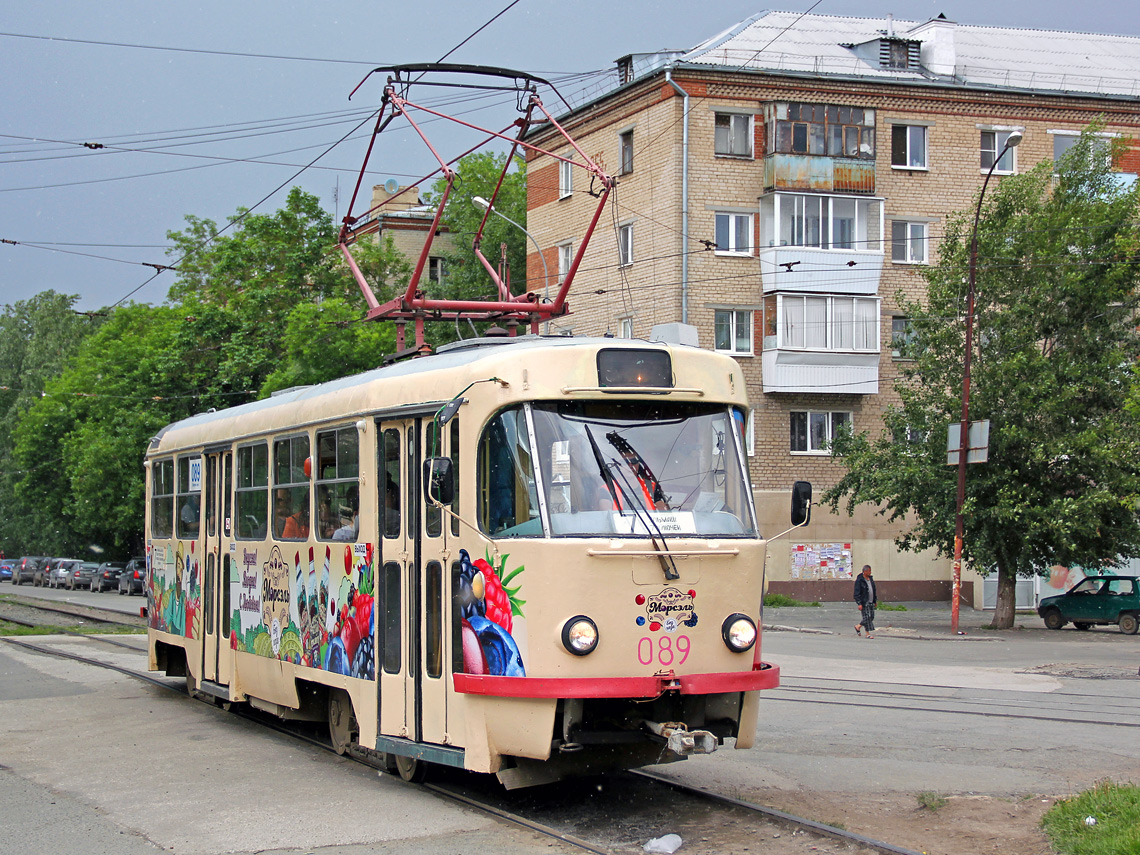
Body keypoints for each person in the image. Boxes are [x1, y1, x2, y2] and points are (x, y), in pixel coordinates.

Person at [854, 563, 877, 638]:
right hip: (864, 601)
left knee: (871, 616)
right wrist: (859, 603)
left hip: (871, 600)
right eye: (869, 571)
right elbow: (856, 593)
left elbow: (873, 589)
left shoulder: (870, 579)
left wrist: (875, 600)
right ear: (865, 571)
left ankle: (858, 626)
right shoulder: (860, 580)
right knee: (867, 616)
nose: (870, 572)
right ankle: (868, 634)